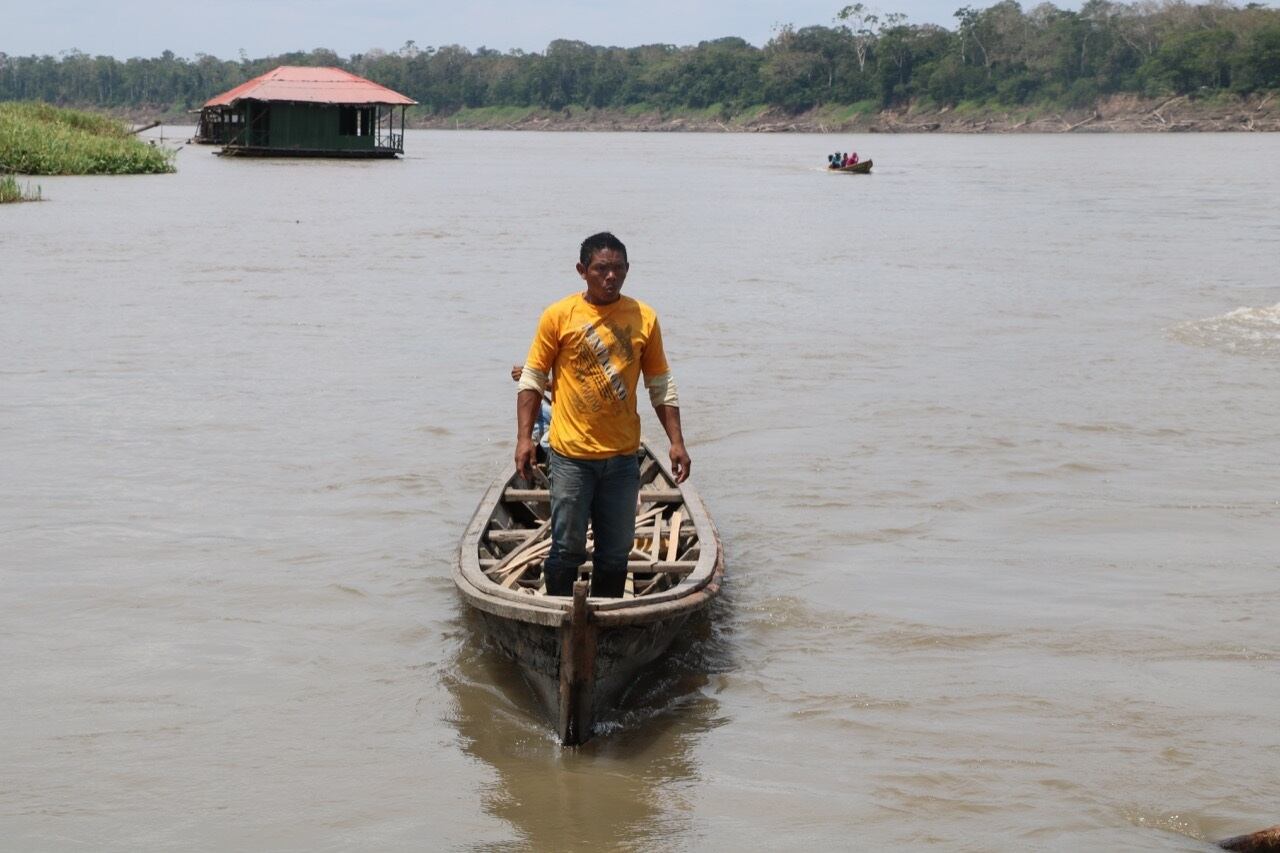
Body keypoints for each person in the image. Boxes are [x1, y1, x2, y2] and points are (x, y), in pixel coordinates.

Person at [514, 232, 689, 598]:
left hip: (622, 459)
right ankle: (560, 615)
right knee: (567, 549)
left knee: (615, 553)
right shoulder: (558, 315)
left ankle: (608, 617)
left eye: (619, 269)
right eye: (601, 269)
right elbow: (532, 378)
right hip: (570, 458)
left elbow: (660, 385)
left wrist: (676, 442)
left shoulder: (644, 317)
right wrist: (524, 439)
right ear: (582, 271)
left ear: (628, 269)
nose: (611, 277)